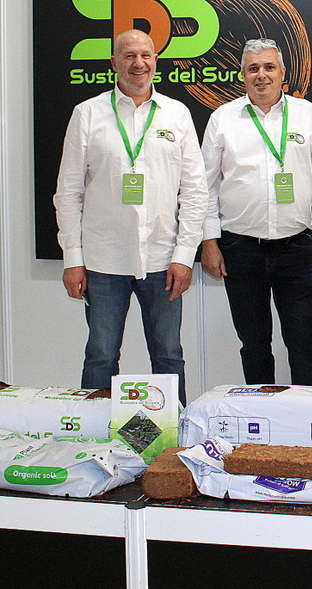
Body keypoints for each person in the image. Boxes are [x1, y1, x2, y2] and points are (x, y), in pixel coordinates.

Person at [200, 39, 312, 386]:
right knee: (254, 343)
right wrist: (209, 242)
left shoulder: (307, 114)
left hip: (294, 247)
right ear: (243, 75)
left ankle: (307, 410)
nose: (261, 75)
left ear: (282, 73)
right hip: (240, 248)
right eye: (253, 69)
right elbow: (206, 186)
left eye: (268, 67)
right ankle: (260, 410)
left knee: (304, 341)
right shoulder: (223, 119)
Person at [54, 29, 207, 406]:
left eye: (145, 55)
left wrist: (184, 256)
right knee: (101, 356)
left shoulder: (177, 114)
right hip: (104, 260)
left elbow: (195, 191)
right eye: (129, 56)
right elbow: (68, 192)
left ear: (155, 61)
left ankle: (176, 431)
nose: (139, 63)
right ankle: (92, 431)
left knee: (169, 355)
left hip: (163, 260)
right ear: (114, 63)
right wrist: (73, 259)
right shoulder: (88, 114)